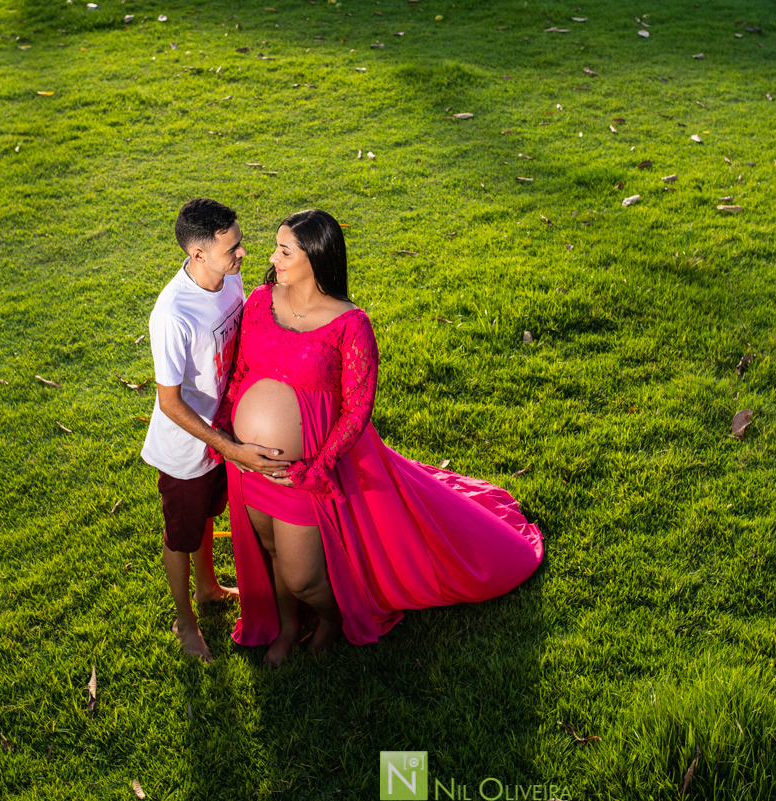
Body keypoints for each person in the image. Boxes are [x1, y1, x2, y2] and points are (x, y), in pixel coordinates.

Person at [211, 209, 544, 666]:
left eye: (284, 250)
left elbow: (357, 409)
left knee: (303, 575)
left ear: (315, 257)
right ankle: (288, 627)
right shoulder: (261, 301)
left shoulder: (351, 325)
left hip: (302, 474)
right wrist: (229, 434)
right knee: (268, 550)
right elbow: (242, 371)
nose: (272, 257)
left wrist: (318, 466)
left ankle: (329, 620)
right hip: (247, 465)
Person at [140, 198, 289, 662]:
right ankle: (185, 620)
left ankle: (207, 589)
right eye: (234, 247)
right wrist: (232, 448)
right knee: (180, 537)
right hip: (188, 450)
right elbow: (169, 403)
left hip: (225, 434)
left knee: (207, 516)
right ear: (198, 254)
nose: (243, 254)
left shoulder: (228, 278)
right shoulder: (172, 315)